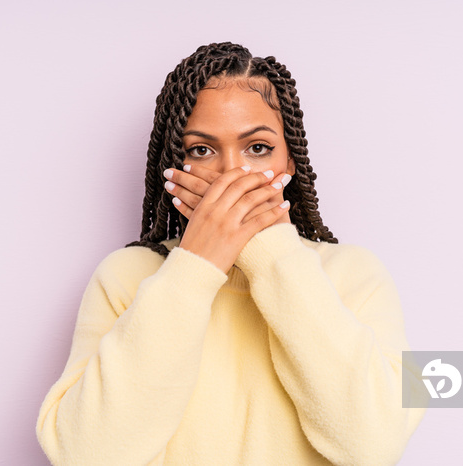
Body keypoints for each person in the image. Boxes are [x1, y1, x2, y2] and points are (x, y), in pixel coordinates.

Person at [36, 42, 425, 465]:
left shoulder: (353, 274)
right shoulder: (127, 276)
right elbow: (86, 455)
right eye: (201, 150)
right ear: (176, 164)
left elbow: (375, 445)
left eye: (257, 148)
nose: (231, 176)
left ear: (290, 160)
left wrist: (272, 254)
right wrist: (194, 267)